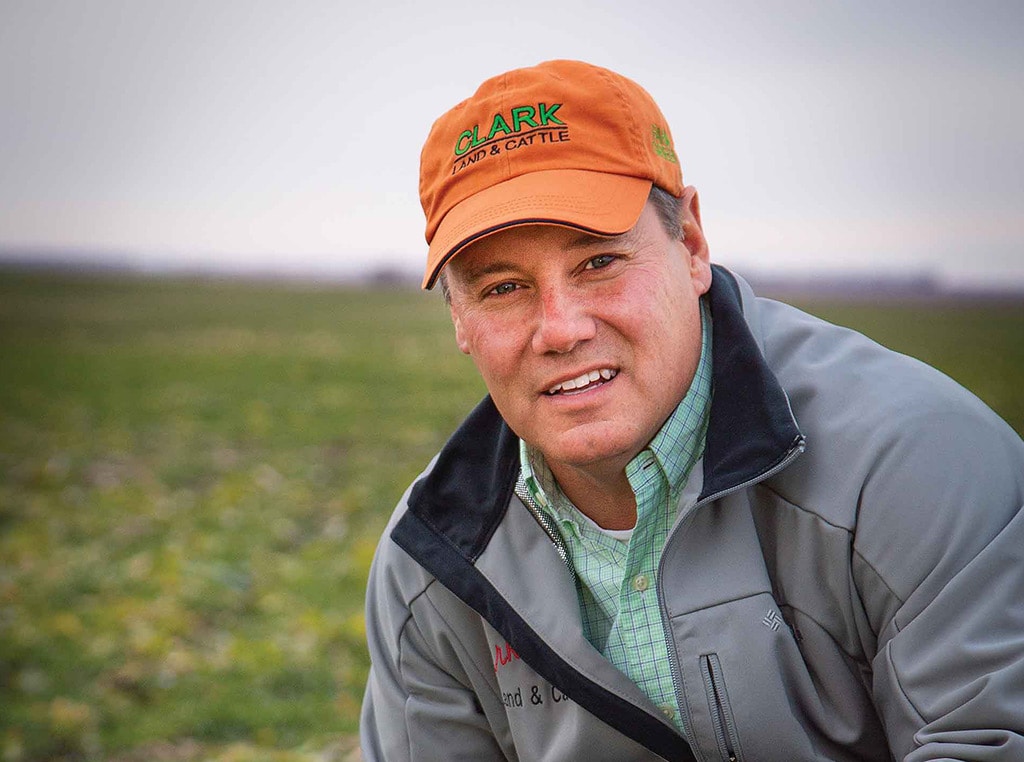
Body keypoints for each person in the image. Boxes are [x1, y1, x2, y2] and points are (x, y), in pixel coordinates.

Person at [359, 59, 1024, 761]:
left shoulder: (919, 464)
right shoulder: (431, 566)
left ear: (692, 245)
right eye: (502, 288)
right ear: (459, 321)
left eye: (599, 263)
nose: (560, 328)